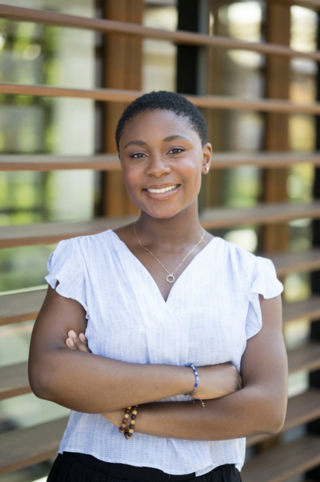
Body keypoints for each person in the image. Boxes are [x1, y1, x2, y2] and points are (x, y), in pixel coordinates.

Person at [29, 91, 288, 482]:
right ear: (122, 165)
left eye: (175, 150)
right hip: (92, 472)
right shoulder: (84, 259)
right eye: (137, 155)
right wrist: (196, 379)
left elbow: (267, 410)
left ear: (205, 158)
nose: (156, 168)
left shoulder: (250, 275)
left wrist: (127, 414)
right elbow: (48, 373)